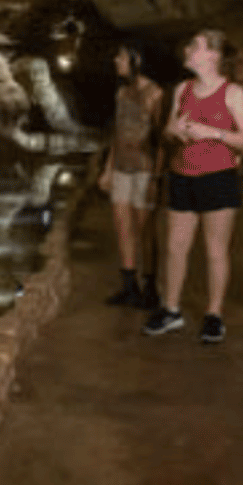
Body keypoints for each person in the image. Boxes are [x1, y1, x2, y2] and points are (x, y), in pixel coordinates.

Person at [143, 30, 243, 343]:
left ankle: (214, 314)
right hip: (182, 174)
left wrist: (213, 133)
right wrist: (174, 129)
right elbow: (167, 131)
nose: (188, 49)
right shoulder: (182, 89)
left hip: (218, 177)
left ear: (213, 56)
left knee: (215, 250)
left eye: (195, 45)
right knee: (175, 247)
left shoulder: (233, 93)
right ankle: (171, 309)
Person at [97, 44, 165, 307]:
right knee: (123, 226)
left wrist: (157, 178)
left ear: (136, 59)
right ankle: (129, 286)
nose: (116, 60)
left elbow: (160, 139)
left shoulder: (153, 93)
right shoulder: (122, 92)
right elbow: (118, 132)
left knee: (145, 228)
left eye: (121, 56)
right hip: (122, 167)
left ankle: (150, 288)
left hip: (144, 169)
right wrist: (108, 168)